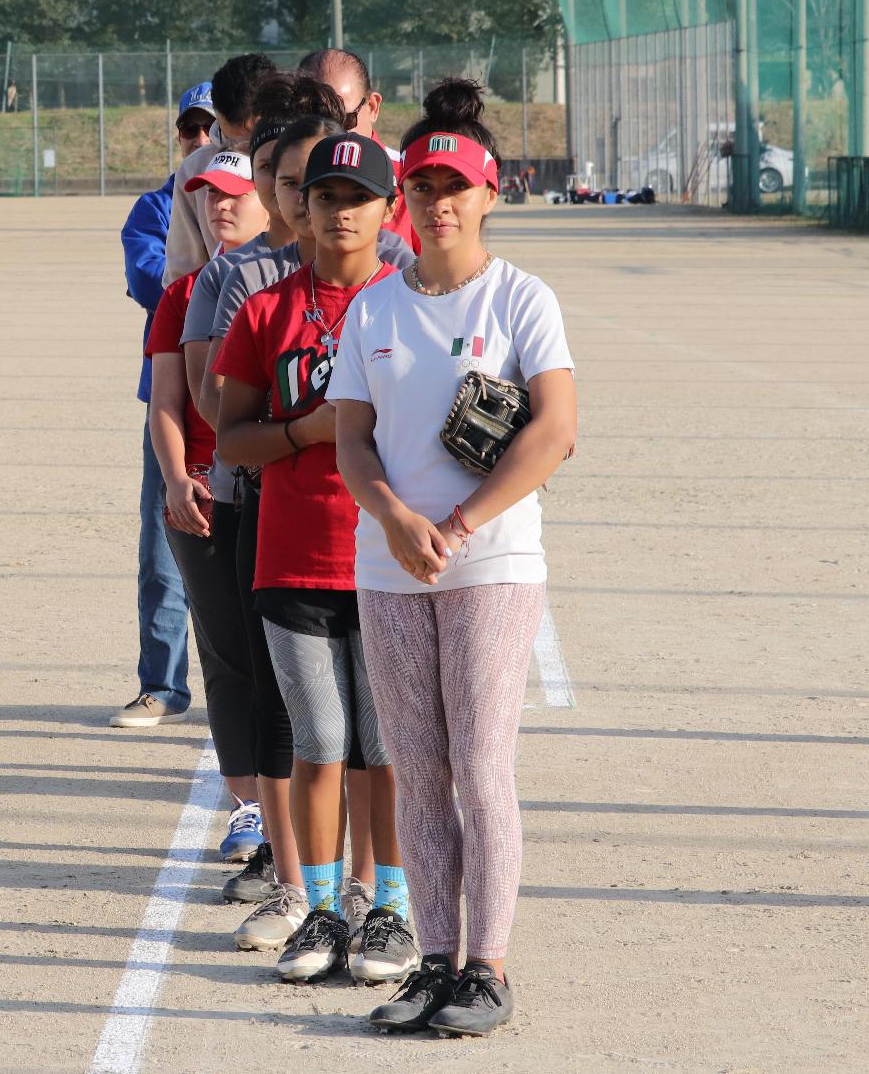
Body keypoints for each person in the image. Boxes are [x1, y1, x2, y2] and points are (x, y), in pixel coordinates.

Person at [329, 80, 577, 1037]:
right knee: (418, 770)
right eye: (421, 186)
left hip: (490, 560)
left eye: (455, 186)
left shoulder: (520, 297)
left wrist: (461, 524)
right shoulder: (375, 308)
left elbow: (555, 427)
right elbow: (351, 438)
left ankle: (490, 965)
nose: (437, 203)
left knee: (480, 763)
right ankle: (435, 960)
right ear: (404, 199)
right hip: (391, 563)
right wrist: (391, 516)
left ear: (488, 192)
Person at [215, 130, 416, 989]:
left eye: (357, 198)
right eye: (324, 196)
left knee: (384, 742)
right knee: (321, 737)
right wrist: (306, 429)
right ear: (300, 207)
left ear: (386, 210)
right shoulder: (265, 312)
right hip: (291, 558)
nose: (339, 212)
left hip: (383, 557)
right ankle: (326, 905)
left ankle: (392, 908)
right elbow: (232, 439)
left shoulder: (410, 305)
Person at [149, 148, 272, 864]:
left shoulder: (283, 283)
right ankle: (250, 808)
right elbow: (167, 402)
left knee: (283, 651)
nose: (218, 205)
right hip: (199, 494)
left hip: (267, 491)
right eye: (205, 195)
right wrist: (174, 476)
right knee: (225, 654)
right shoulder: (181, 294)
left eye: (233, 193)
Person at [110, 92, 209, 729]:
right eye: (189, 128)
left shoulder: (257, 201)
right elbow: (157, 280)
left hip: (251, 402)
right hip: (171, 403)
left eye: (213, 126)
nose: (200, 137)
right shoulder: (153, 208)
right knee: (163, 546)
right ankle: (163, 685)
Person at [165, 53, 279, 284]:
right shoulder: (195, 168)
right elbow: (182, 275)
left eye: (252, 141)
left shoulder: (303, 160)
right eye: (230, 138)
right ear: (218, 116)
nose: (241, 150)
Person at [299, 48, 419, 253]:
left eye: (343, 120)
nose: (328, 134)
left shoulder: (413, 179)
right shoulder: (278, 176)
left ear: (372, 107)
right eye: (314, 121)